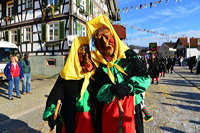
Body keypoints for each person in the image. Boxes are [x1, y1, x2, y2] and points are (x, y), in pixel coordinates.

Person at [86, 15, 151, 133]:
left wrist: (129, 86)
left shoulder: (129, 55)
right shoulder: (98, 64)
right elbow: (96, 90)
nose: (105, 44)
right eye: (100, 41)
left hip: (131, 109)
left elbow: (145, 78)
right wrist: (110, 90)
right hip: (107, 111)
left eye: (107, 38)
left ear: (114, 37)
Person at [43, 37, 96, 133]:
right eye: (82, 56)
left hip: (89, 120)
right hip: (70, 119)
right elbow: (55, 96)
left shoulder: (96, 75)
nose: (87, 62)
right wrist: (52, 114)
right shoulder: (67, 75)